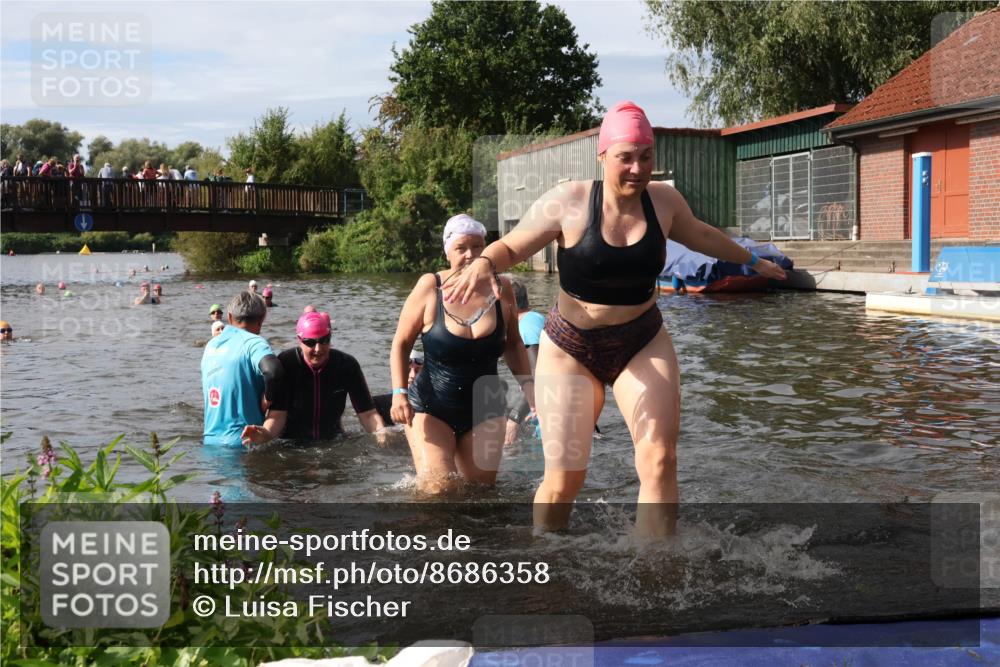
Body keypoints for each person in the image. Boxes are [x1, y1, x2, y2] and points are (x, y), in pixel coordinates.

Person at [443, 101, 787, 535]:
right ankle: (544, 556)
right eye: (626, 157)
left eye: (646, 157)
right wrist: (484, 264)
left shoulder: (664, 202)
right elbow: (511, 246)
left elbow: (703, 235)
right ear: (602, 156)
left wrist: (752, 260)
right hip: (570, 346)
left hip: (641, 339)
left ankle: (655, 565)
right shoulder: (568, 201)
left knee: (660, 458)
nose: (637, 168)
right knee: (566, 475)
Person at [389, 214, 535, 494]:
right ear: (447, 252)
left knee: (480, 494)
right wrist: (398, 393)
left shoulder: (502, 289)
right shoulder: (430, 287)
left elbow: (514, 344)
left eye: (478, 247)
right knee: (437, 491)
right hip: (432, 406)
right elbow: (400, 344)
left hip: (486, 407)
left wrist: (529, 386)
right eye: (461, 248)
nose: (471, 255)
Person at [276, 311, 388, 444]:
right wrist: (264, 434)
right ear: (299, 341)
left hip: (333, 441)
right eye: (310, 342)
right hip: (291, 444)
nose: (318, 349)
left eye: (324, 340)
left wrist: (382, 436)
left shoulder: (346, 365)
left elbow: (368, 415)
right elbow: (276, 416)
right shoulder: (286, 363)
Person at [201, 291, 287, 447]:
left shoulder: (210, 346)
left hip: (210, 443)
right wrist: (268, 398)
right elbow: (274, 371)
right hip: (245, 443)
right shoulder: (254, 343)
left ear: (229, 317)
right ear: (262, 319)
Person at [503, 277, 548, 446]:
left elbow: (538, 379)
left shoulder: (526, 328)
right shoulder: (535, 319)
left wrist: (515, 418)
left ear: (508, 304)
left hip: (551, 419)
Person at [372, 353, 425, 426]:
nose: (413, 375)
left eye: (418, 370)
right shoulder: (378, 404)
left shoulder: (434, 404)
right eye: (407, 370)